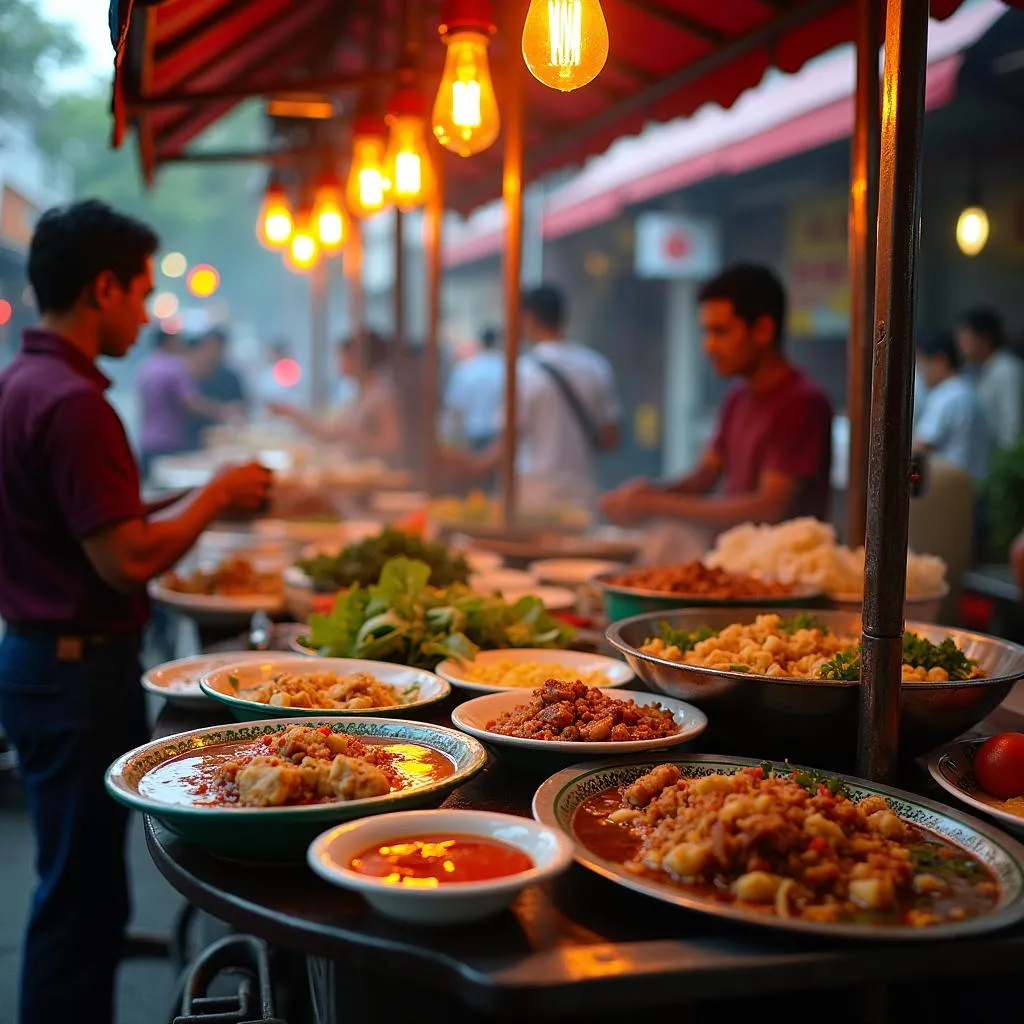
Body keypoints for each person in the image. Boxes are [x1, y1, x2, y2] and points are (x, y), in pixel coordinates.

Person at [0, 199, 272, 1024]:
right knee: (79, 902)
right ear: (103, 287)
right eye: (142, 289)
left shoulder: (25, 378)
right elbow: (126, 557)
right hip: (74, 671)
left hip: (44, 665)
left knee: (80, 887)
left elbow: (94, 514)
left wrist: (189, 496)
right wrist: (217, 495)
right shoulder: (75, 401)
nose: (149, 310)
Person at [601, 264, 833, 530]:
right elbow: (705, 476)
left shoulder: (802, 402)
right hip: (733, 561)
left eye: (720, 332)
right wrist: (646, 494)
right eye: (706, 332)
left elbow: (770, 506)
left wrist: (656, 505)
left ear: (763, 331)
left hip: (779, 567)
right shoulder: (738, 398)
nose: (708, 346)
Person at [449, 285, 621, 511]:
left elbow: (509, 441)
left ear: (527, 318)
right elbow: (610, 437)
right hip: (581, 495)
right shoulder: (596, 366)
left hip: (533, 498)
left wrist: (473, 465)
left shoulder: (523, 373)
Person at [268, 329, 402, 462]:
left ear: (357, 358)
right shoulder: (364, 392)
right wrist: (290, 411)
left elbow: (392, 445)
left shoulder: (381, 393)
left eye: (342, 356)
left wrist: (357, 440)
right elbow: (330, 432)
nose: (339, 363)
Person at [135, 328, 241, 480]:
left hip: (148, 442)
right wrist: (223, 411)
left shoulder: (146, 367)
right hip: (171, 443)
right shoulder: (175, 368)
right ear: (169, 343)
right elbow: (191, 403)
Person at [914, 329, 993, 483]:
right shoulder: (968, 389)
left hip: (950, 491)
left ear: (939, 361)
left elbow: (920, 447)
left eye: (921, 363)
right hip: (975, 488)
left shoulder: (946, 396)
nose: (920, 372)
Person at [955, 307, 1024, 451]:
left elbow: (1011, 425)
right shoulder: (969, 369)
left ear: (985, 338)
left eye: (965, 338)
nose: (960, 344)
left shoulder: (1007, 368)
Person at [443, 326, 505, 451]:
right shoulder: (507, 368)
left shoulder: (465, 369)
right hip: (499, 434)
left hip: (472, 433)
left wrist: (456, 440)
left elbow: (456, 407)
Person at [184, 326, 248, 448]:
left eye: (218, 347)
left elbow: (242, 406)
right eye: (210, 346)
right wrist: (222, 411)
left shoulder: (231, 377)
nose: (213, 352)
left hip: (225, 441)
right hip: (192, 439)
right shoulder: (191, 374)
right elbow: (191, 404)